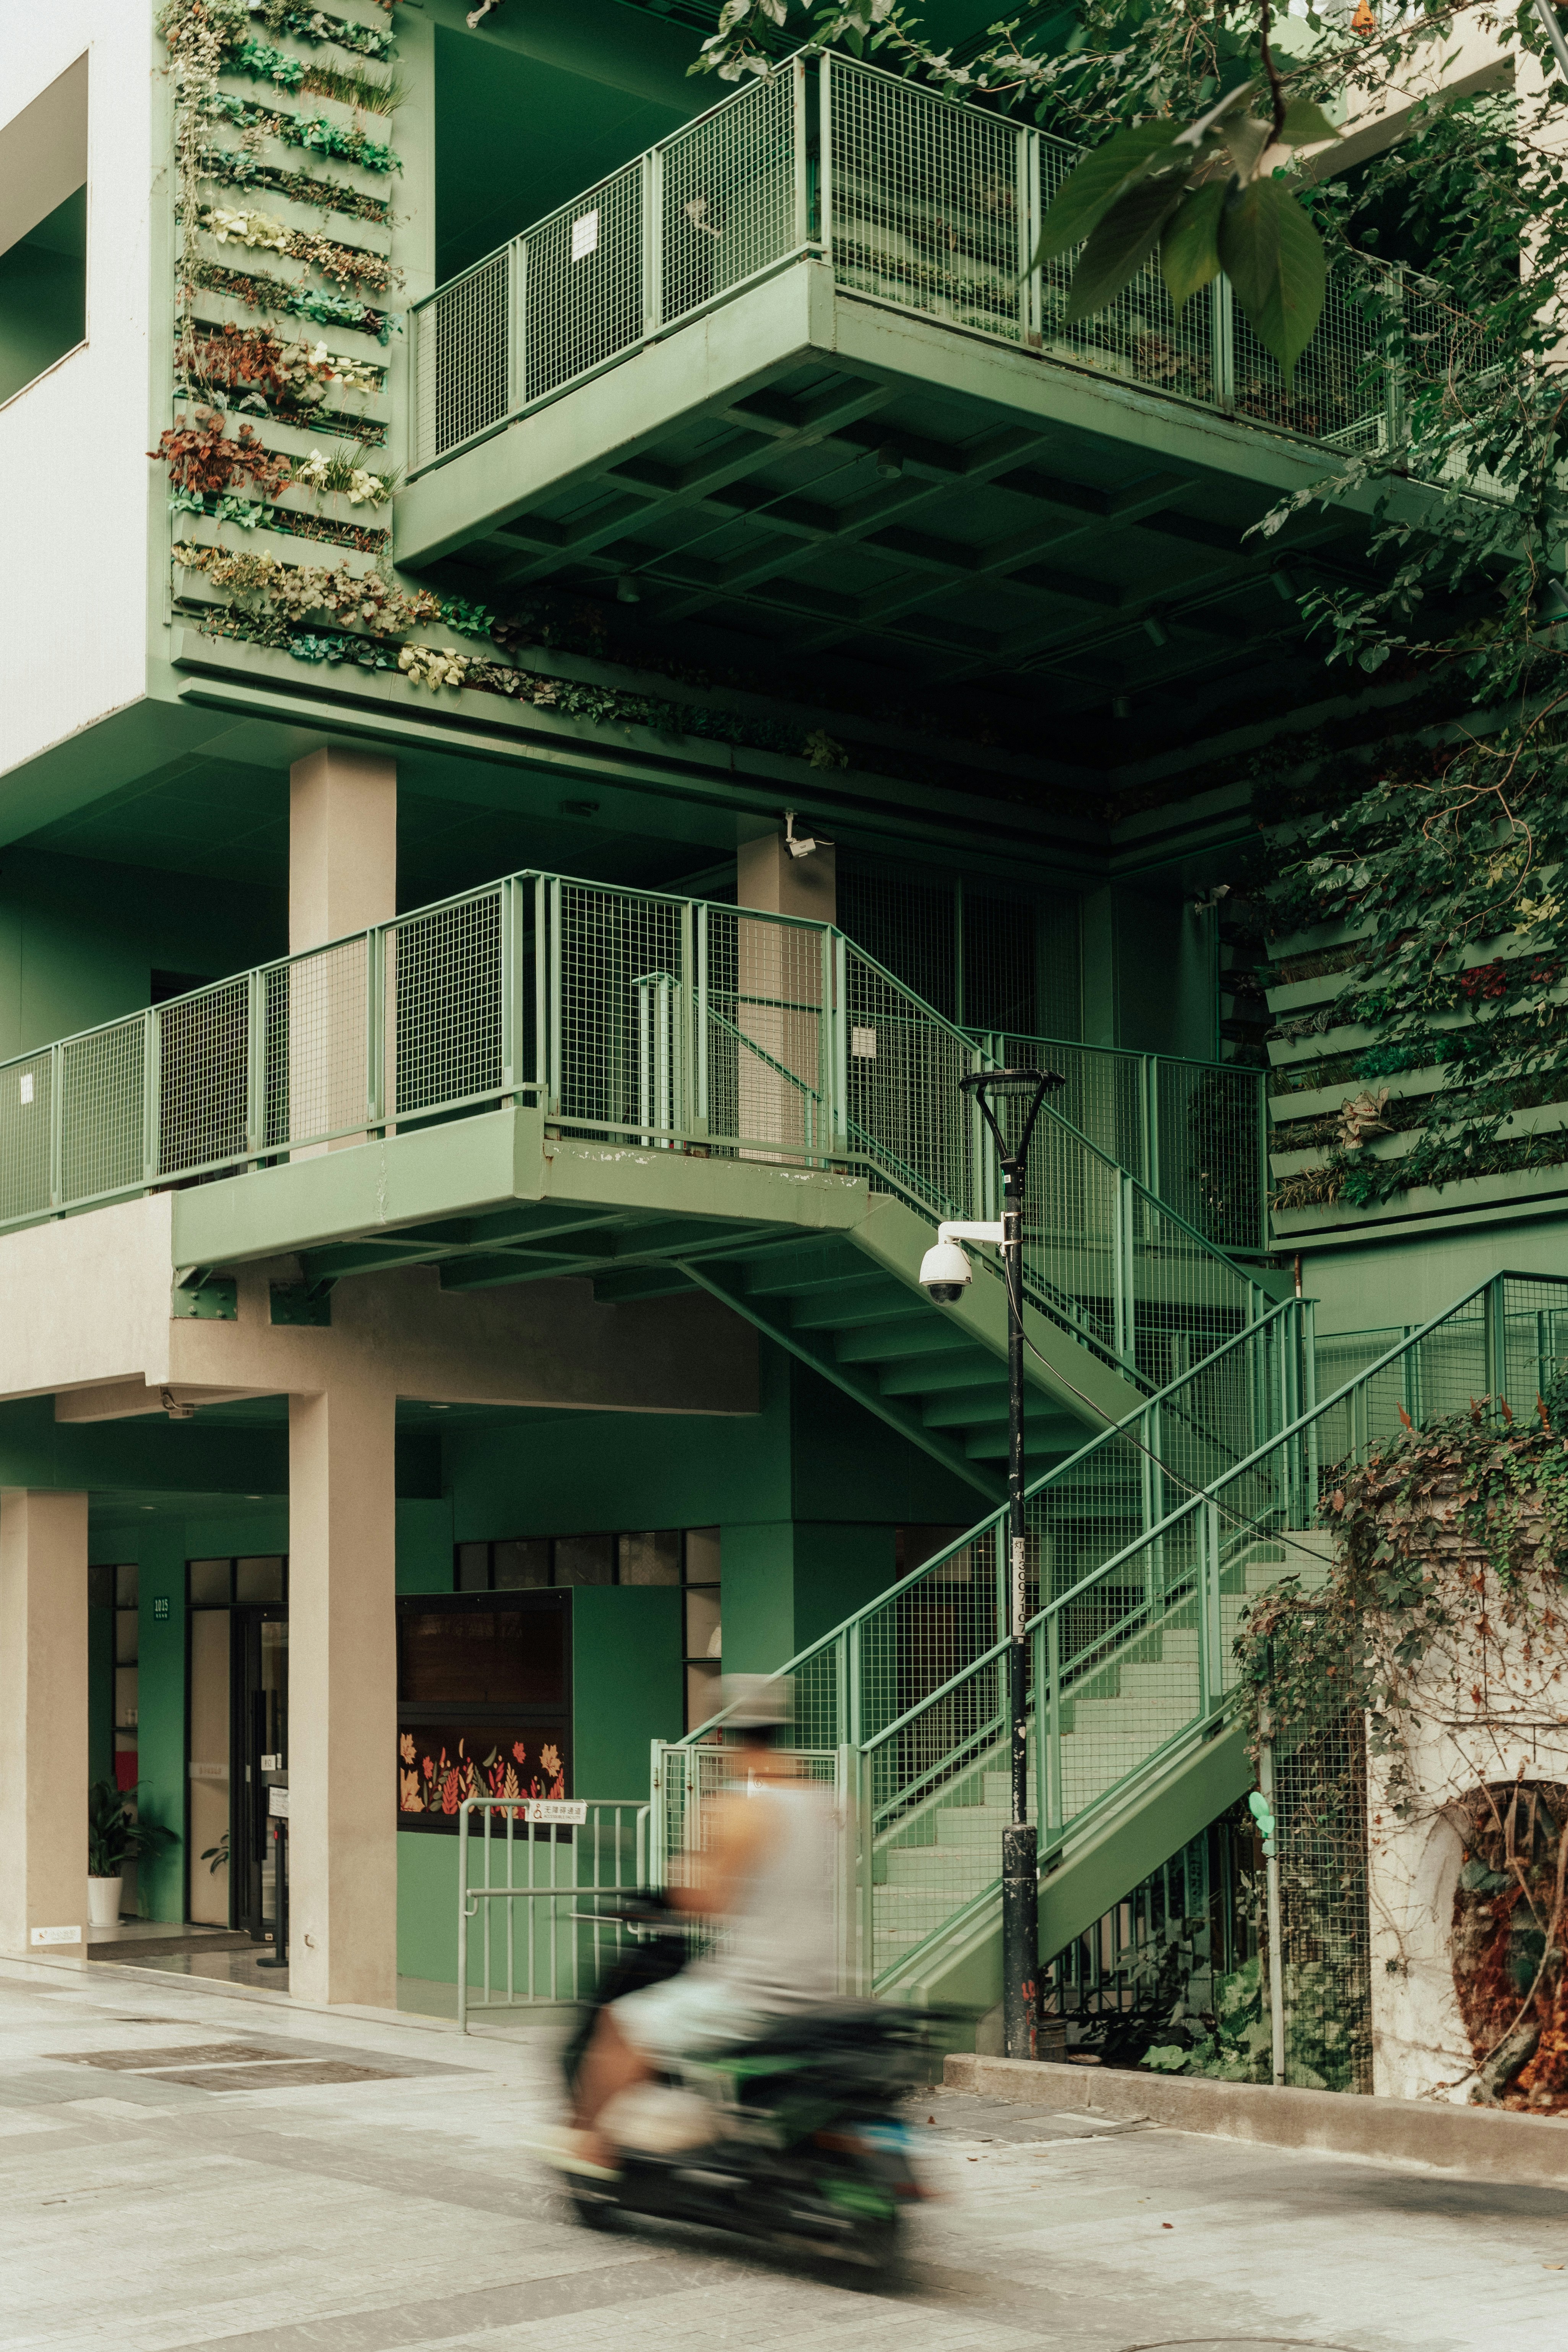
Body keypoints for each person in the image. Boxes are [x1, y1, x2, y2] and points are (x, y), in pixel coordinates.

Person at [567, 1674, 838, 2171]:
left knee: (621, 2025)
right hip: (819, 1982)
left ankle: (591, 2152)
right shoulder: (827, 1801)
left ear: (726, 1735)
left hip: (755, 1988)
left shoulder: (736, 1806)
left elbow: (705, 1901)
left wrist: (679, 1876)